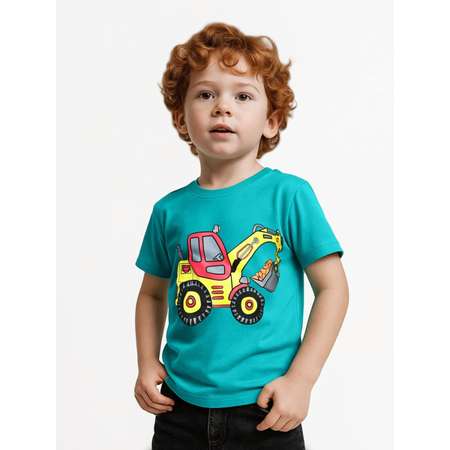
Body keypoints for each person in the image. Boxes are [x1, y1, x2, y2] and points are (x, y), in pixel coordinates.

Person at [134, 22, 349, 450]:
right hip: (180, 410)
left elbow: (333, 289)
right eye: (205, 94)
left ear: (271, 121)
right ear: (181, 118)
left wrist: (301, 380)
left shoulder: (289, 196)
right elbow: (152, 295)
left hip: (265, 409)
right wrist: (146, 362)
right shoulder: (169, 210)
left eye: (243, 96)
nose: (222, 107)